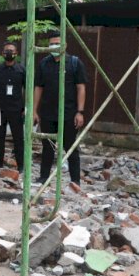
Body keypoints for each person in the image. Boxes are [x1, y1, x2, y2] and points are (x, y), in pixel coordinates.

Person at [33, 31, 88, 187]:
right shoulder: (44, 63)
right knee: (47, 147)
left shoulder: (74, 63)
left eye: (57, 43)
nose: (54, 46)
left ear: (65, 45)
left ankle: (75, 180)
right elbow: (38, 87)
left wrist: (80, 112)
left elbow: (81, 88)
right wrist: (34, 111)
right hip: (48, 113)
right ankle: (44, 178)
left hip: (69, 113)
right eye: (51, 44)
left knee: (70, 147)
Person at [0, 40, 25, 171]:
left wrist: (26, 108)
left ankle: (21, 165)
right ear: (2, 53)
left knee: (18, 139)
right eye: (6, 51)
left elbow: (28, 89)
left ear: (16, 53)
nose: (9, 53)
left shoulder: (21, 70)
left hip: (17, 109)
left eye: (11, 51)